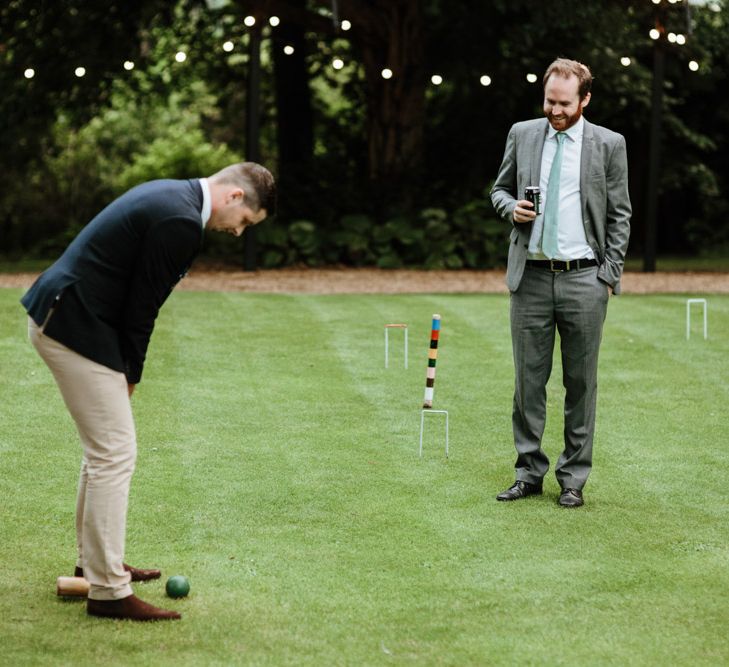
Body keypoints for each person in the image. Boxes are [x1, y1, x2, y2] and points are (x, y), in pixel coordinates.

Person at [22, 162, 276, 619]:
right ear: (235, 197)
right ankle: (108, 593)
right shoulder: (181, 221)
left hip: (68, 314)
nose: (238, 234)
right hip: (73, 323)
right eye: (243, 224)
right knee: (114, 453)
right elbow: (143, 306)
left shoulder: (173, 195)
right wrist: (129, 374)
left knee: (103, 451)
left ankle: (94, 565)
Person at [490, 58, 631, 508]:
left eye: (564, 103)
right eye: (550, 100)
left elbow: (620, 215)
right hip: (530, 276)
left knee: (580, 383)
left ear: (585, 99)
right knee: (528, 383)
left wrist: (608, 275)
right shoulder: (523, 133)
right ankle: (528, 471)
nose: (555, 110)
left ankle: (573, 478)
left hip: (583, 279)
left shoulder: (609, 144)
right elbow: (499, 189)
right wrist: (510, 208)